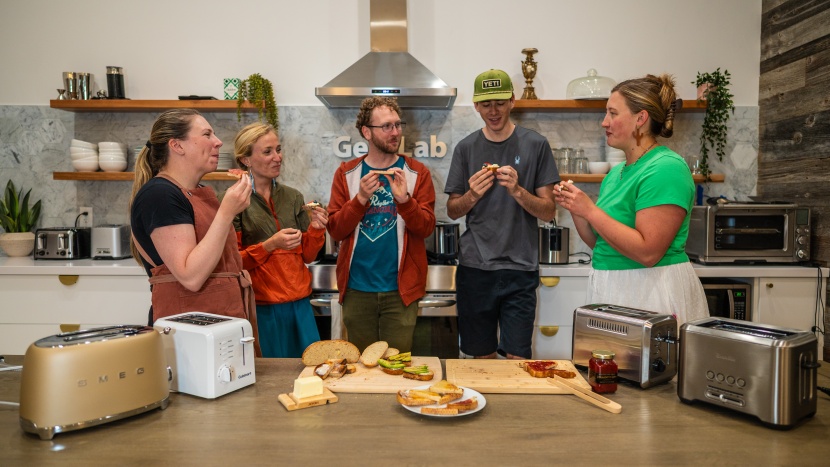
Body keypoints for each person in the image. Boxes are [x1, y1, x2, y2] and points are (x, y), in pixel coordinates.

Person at [553, 73, 708, 325]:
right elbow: (601, 244)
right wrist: (576, 208)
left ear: (640, 119)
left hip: (651, 292)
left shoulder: (665, 168)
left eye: (612, 113)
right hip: (612, 290)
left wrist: (590, 211)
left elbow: (648, 253)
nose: (604, 122)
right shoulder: (615, 175)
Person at [445, 69, 559, 360]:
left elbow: (549, 211)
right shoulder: (465, 148)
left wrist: (518, 191)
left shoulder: (536, 145)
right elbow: (453, 210)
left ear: (512, 101)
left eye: (499, 103)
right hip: (475, 269)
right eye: (486, 104)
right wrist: (473, 194)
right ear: (476, 106)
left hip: (520, 269)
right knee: (481, 358)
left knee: (517, 360)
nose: (493, 111)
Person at [129, 109, 259, 354]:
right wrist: (227, 212)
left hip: (217, 323)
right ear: (177, 145)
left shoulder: (195, 192)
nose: (218, 142)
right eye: (207, 134)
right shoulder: (160, 195)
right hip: (188, 334)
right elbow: (190, 276)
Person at [327, 96, 436, 353]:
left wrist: (405, 201)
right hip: (356, 290)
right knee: (360, 365)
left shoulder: (417, 173)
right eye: (386, 126)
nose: (395, 132)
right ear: (367, 132)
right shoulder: (346, 173)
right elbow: (336, 230)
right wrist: (360, 199)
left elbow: (426, 228)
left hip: (401, 292)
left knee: (396, 364)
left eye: (397, 125)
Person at [222, 122, 326, 358]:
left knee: (310, 370)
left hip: (300, 305)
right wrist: (270, 245)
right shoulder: (232, 201)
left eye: (278, 150)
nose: (277, 158)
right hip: (262, 307)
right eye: (267, 152)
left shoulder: (293, 197)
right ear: (246, 159)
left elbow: (308, 255)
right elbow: (233, 263)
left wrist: (316, 229)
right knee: (271, 374)